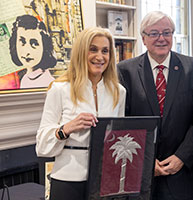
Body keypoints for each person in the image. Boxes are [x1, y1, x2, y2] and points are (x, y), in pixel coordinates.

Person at [118, 11, 193, 200]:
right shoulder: (125, 71)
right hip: (140, 173)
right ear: (143, 38)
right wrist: (145, 161)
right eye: (154, 34)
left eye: (166, 33)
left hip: (182, 173)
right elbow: (122, 122)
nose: (161, 38)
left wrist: (182, 157)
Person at [36, 27, 126, 200]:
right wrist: (66, 128)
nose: (100, 57)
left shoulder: (119, 92)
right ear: (81, 52)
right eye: (93, 49)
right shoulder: (59, 89)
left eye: (105, 51)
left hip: (105, 180)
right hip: (67, 179)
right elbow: (41, 145)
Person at [4, 14, 56, 89]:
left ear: (44, 46)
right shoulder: (25, 79)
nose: (27, 51)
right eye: (22, 41)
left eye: (34, 43)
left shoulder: (48, 83)